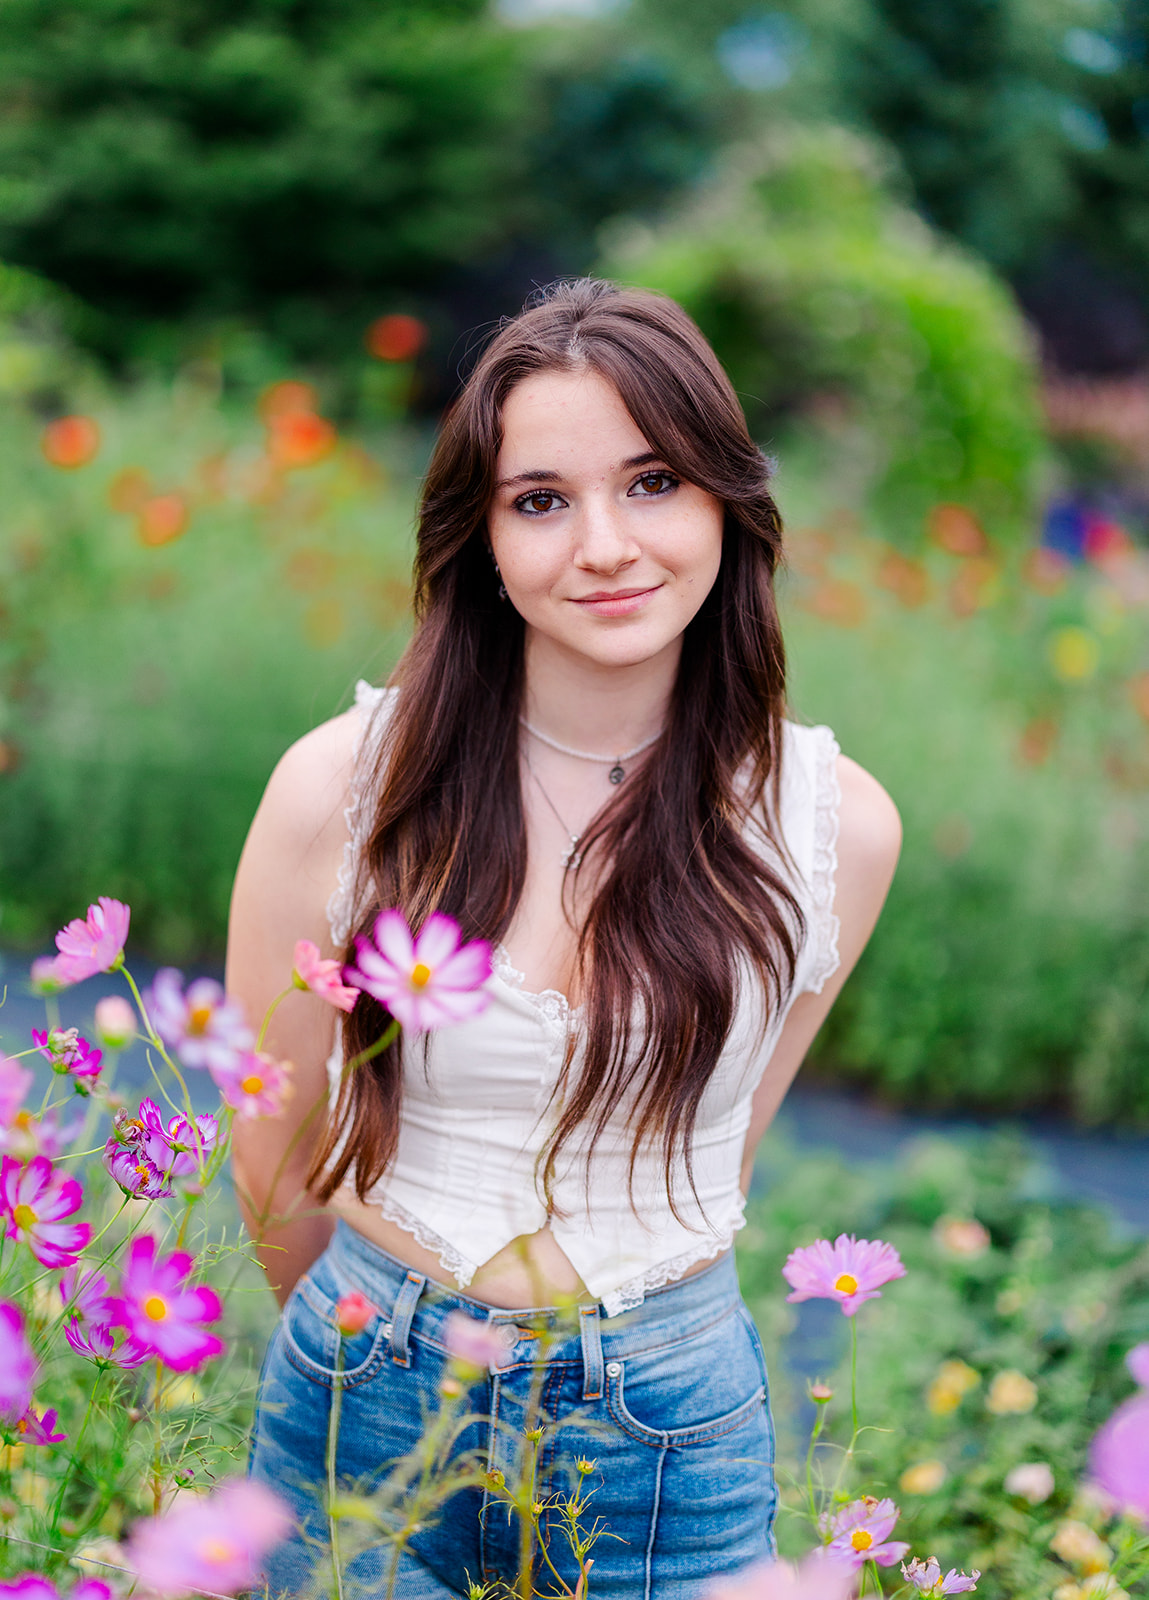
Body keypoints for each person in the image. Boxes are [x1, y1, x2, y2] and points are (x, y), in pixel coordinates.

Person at [228, 278, 901, 1600]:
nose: (603, 544)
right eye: (540, 500)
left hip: (667, 1425)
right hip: (362, 1391)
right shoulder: (343, 790)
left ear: (724, 499)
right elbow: (274, 1140)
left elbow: (728, 1140)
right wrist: (370, 1343)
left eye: (651, 482)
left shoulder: (832, 829)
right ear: (479, 537)